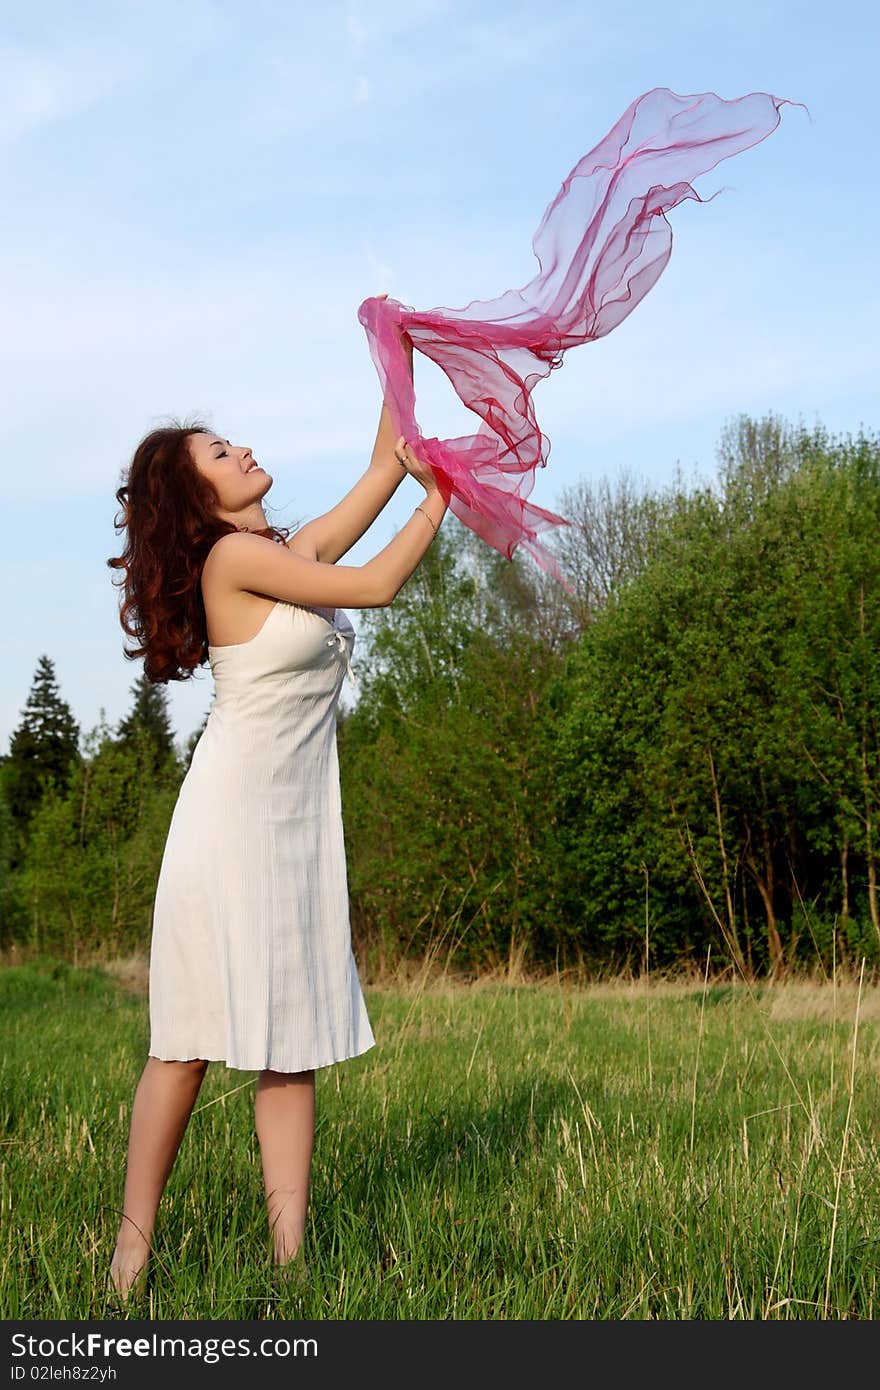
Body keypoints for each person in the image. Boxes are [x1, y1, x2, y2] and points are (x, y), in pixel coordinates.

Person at [106, 319, 446, 1298]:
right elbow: (379, 582)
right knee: (188, 1043)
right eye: (221, 452)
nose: (243, 448)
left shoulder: (284, 552)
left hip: (295, 825)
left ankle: (292, 1268)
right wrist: (445, 500)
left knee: (290, 1043)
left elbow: (383, 464)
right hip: (230, 822)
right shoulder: (231, 565)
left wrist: (402, 349)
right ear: (196, 496)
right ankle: (132, 1253)